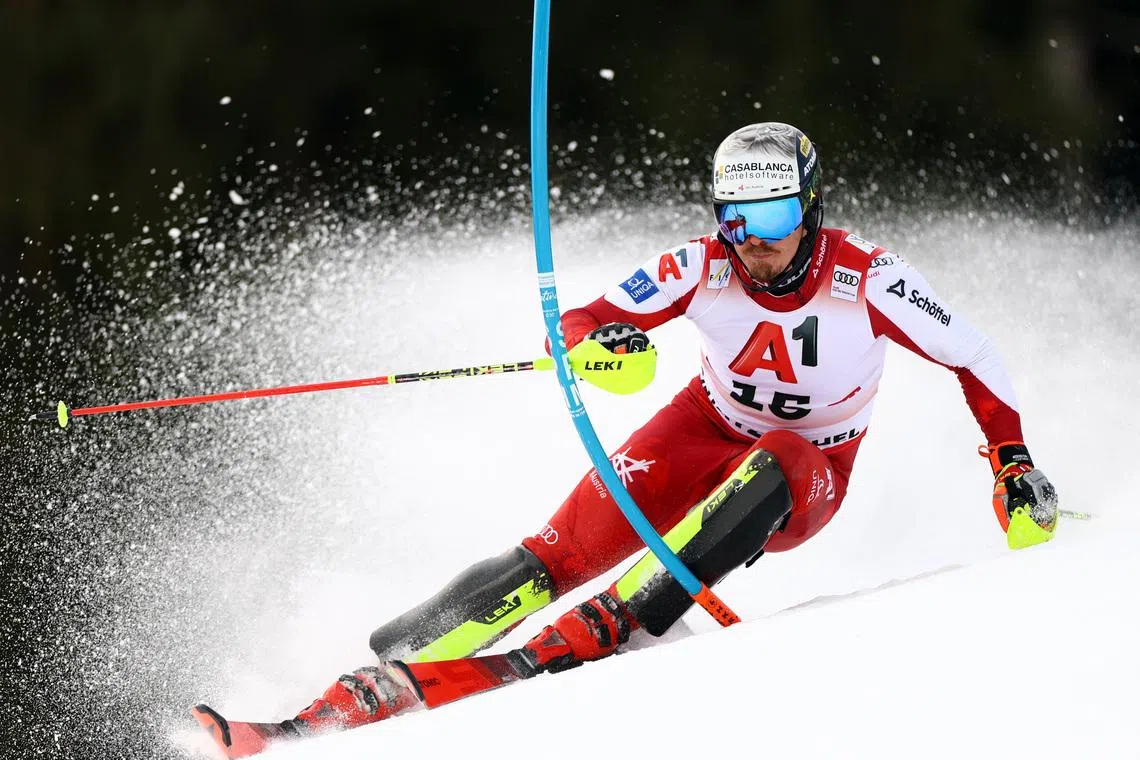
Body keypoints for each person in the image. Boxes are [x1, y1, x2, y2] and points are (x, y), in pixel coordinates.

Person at [193, 122, 1060, 757]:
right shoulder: (703, 262)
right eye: (737, 220)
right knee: (554, 551)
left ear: (812, 204)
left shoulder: (867, 277)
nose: (757, 245)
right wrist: (590, 343)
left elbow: (973, 356)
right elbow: (583, 319)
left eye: (777, 216)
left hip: (810, 469)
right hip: (701, 427)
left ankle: (611, 625)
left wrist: (1011, 460)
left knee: (784, 456)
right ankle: (372, 678)